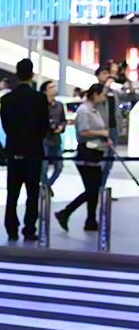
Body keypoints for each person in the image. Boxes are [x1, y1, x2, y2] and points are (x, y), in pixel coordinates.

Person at [0, 59, 49, 242]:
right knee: (32, 194)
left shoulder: (7, 99)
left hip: (14, 151)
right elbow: (44, 126)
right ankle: (29, 229)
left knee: (12, 194)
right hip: (33, 152)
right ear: (32, 75)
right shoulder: (39, 99)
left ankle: (11, 229)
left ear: (16, 74)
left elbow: (6, 126)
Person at [54, 83, 113, 232]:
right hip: (86, 154)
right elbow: (84, 131)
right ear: (95, 94)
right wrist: (102, 134)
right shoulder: (84, 111)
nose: (104, 98)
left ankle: (91, 220)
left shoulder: (95, 110)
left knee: (94, 189)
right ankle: (65, 212)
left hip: (97, 153)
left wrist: (105, 138)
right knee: (92, 190)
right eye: (103, 95)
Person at [95, 65, 123, 188]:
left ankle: (102, 187)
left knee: (109, 161)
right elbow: (99, 99)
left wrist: (127, 79)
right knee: (102, 160)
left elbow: (131, 95)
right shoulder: (96, 90)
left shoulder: (114, 92)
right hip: (101, 130)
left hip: (114, 129)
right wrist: (107, 85)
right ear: (97, 76)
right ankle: (97, 188)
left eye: (108, 73)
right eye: (104, 73)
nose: (107, 76)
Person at [40, 80, 66, 196]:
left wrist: (61, 126)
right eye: (51, 87)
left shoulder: (59, 105)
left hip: (56, 139)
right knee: (44, 167)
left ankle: (47, 186)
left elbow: (63, 120)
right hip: (44, 139)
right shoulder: (40, 105)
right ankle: (45, 188)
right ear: (45, 91)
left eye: (54, 86)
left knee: (59, 167)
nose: (54, 89)